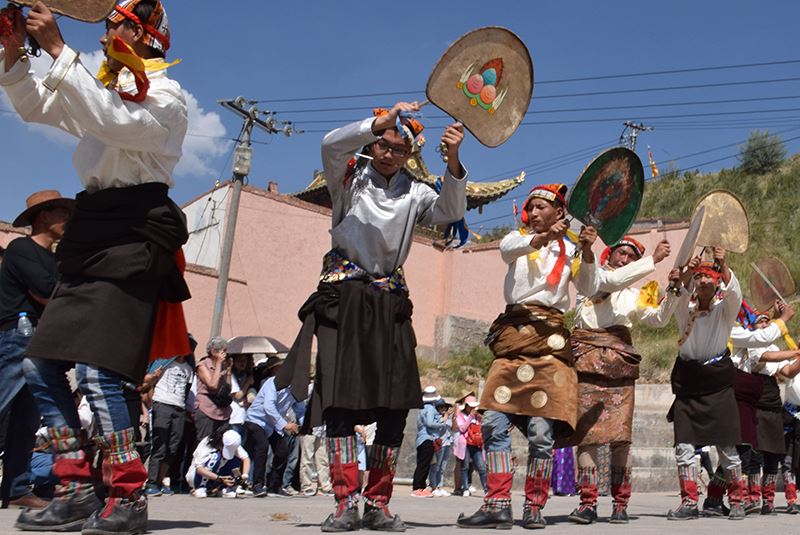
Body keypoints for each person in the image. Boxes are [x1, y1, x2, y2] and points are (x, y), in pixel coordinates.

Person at [1, 1, 190, 532]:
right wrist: (15, 54)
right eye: (105, 23)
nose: (106, 30)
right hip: (93, 231)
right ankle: (77, 485)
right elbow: (40, 107)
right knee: (39, 363)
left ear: (147, 33)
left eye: (117, 23)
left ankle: (128, 495)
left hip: (135, 232)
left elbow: (113, 121)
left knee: (98, 371)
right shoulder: (101, 87)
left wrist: (60, 49)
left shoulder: (167, 94)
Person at [276, 102, 467, 532]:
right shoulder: (347, 179)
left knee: (396, 407)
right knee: (340, 405)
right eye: (383, 143)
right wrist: (379, 120)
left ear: (410, 155)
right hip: (344, 298)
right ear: (373, 142)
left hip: (390, 300)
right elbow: (329, 143)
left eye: (399, 149)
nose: (388, 154)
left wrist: (453, 160)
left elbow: (450, 213)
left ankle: (377, 503)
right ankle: (345, 502)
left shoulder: (417, 192)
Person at [457, 184, 600, 529]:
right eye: (531, 208)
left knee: (540, 432)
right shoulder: (516, 239)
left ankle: (534, 506)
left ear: (558, 212)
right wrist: (540, 238)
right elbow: (507, 251)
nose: (533, 213)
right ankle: (497, 504)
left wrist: (589, 252)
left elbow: (591, 288)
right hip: (513, 338)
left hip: (549, 343)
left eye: (540, 208)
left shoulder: (571, 249)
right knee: (491, 422)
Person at [567, 236, 675, 524]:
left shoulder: (635, 294)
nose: (625, 259)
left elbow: (658, 319)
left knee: (621, 439)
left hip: (619, 365)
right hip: (586, 361)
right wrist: (651, 260)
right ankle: (587, 502)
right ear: (608, 256)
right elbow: (612, 281)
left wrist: (677, 291)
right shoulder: (590, 276)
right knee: (586, 436)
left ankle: (620, 503)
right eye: (621, 253)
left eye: (631, 255)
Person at [0, 190, 72, 510]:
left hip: (41, 339)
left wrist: (58, 295)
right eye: (62, 213)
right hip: (17, 335)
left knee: (27, 420)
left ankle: (16, 489)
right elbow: (47, 290)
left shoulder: (55, 258)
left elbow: (60, 294)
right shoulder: (20, 248)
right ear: (44, 216)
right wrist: (58, 295)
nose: (68, 220)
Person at [666, 251, 745, 521]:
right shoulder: (684, 310)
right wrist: (684, 274)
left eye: (708, 277)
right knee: (684, 448)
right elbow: (675, 295)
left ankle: (737, 500)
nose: (702, 281)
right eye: (698, 277)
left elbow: (735, 294)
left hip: (717, 386)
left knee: (727, 448)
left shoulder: (725, 310)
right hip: (689, 385)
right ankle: (689, 502)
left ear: (717, 283)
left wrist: (724, 265)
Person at [731, 308, 800, 515]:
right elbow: (766, 357)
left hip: (772, 403)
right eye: (759, 322)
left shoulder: (775, 345)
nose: (763, 324)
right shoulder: (750, 345)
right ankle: (749, 497)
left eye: (765, 322)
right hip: (754, 401)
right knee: (751, 453)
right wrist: (796, 352)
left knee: (773, 453)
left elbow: (788, 370)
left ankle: (768, 501)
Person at [244, 356, 305, 497]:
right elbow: (268, 407)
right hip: (256, 420)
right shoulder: (271, 383)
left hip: (272, 424)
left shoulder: (296, 388)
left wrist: (303, 426)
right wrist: (285, 425)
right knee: (262, 446)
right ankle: (257, 485)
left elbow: (300, 409)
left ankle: (275, 485)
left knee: (282, 451)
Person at [144, 347, 195, 497]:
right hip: (162, 404)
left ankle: (160, 481)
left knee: (173, 447)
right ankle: (151, 482)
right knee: (160, 445)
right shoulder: (164, 364)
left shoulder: (188, 369)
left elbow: (186, 390)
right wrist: (154, 403)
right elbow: (149, 385)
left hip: (179, 408)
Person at [186, 426, 251, 499]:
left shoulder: (233, 442)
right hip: (196, 475)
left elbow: (246, 458)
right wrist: (219, 479)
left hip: (219, 476)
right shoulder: (207, 443)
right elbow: (200, 469)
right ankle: (201, 487)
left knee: (236, 458)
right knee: (215, 457)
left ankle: (224, 487)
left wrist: (244, 476)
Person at [194, 337, 232, 442]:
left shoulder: (223, 365)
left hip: (222, 410)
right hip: (207, 409)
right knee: (205, 443)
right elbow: (212, 385)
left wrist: (228, 371)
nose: (225, 354)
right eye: (223, 351)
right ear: (214, 352)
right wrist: (219, 364)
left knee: (220, 444)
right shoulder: (203, 365)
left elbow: (228, 389)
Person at [411, 386, 446, 497]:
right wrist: (441, 424)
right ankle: (418, 488)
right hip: (428, 438)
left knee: (422, 464)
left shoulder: (422, 408)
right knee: (424, 465)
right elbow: (430, 423)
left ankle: (420, 486)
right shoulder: (430, 409)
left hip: (421, 438)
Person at [429, 399, 454, 497]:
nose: (444, 409)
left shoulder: (448, 418)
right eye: (442, 407)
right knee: (436, 466)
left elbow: (452, 428)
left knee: (442, 467)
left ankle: (440, 486)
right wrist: (446, 416)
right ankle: (433, 486)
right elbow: (439, 426)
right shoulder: (437, 417)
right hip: (439, 444)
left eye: (446, 407)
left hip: (447, 443)